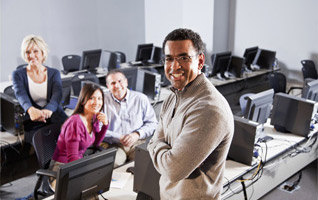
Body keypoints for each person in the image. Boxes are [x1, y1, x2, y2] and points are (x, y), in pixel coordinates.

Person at [147, 28, 234, 200]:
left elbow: (172, 169)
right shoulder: (174, 96)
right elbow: (154, 141)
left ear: (200, 61)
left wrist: (156, 144)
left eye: (184, 58)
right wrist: (160, 146)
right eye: (169, 59)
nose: (174, 66)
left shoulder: (208, 109)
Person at [12, 35, 67, 143]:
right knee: (44, 148)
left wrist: (48, 110)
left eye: (35, 51)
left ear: (43, 53)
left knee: (73, 138)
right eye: (28, 52)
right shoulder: (17, 74)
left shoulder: (54, 73)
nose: (31, 55)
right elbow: (20, 94)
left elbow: (57, 94)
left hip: (55, 116)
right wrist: (31, 110)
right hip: (33, 121)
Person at [102, 69, 158, 167]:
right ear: (108, 87)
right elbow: (97, 129)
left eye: (120, 81)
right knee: (113, 166)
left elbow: (153, 123)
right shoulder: (102, 101)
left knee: (144, 166)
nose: (117, 85)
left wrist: (136, 134)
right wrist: (119, 137)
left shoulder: (140, 98)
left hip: (138, 142)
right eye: (113, 83)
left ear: (126, 82)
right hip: (115, 144)